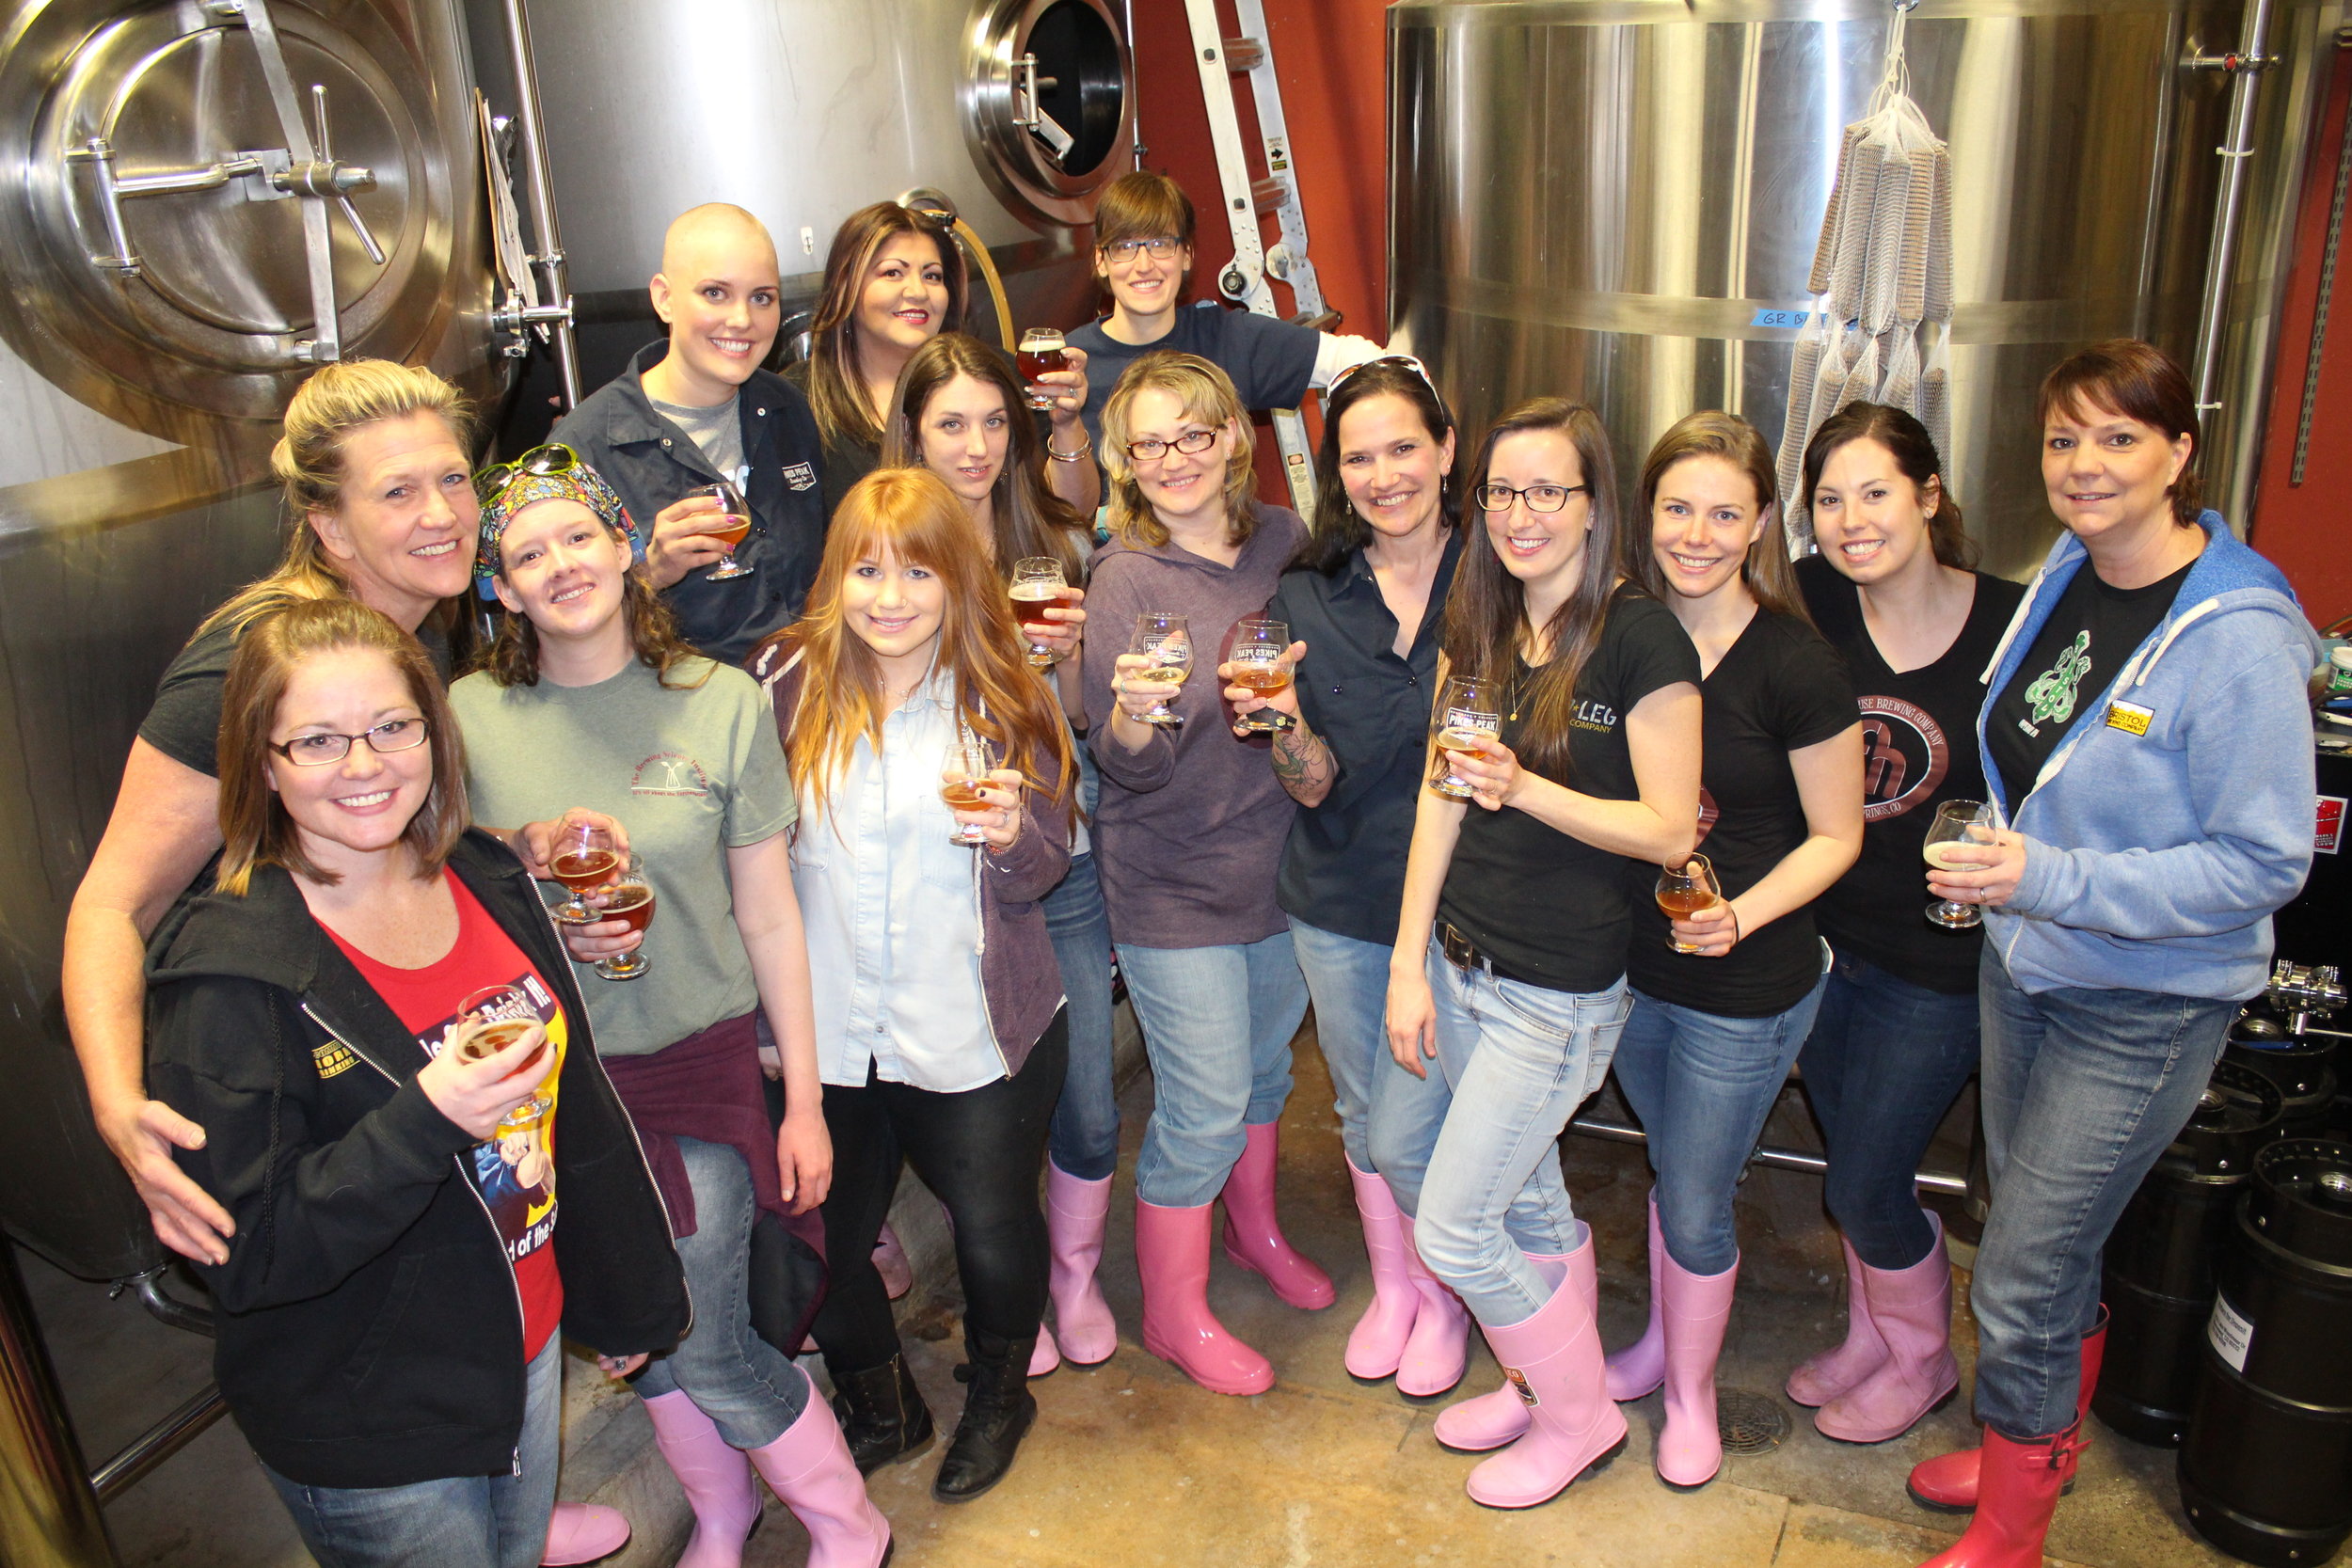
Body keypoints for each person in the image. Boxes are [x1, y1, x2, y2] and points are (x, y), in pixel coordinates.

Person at [145, 598, 690, 1568]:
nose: (365, 764)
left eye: (392, 726)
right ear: (259, 761)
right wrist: (425, 1117)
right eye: (316, 739)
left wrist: (624, 1291)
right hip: (372, 1411)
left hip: (521, 1345)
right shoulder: (227, 972)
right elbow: (247, 1249)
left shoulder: (483, 873)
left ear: (433, 733)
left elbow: (578, 1108)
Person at [1904, 341, 2315, 1568]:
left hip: (2145, 1001)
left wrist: (2047, 875)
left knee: (2021, 1267)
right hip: (2028, 964)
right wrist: (2016, 870)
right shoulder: (2070, 569)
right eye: (2064, 439)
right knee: (2034, 1233)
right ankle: (2032, 1435)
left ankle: (2014, 1524)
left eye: (2119, 437)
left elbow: (2263, 862)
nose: (2085, 465)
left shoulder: (2239, 638)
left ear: (2181, 452)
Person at [453, 460, 889, 1568]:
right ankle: (728, 1513)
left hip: (695, 1065)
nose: (560, 566)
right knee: (638, 1342)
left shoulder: (722, 699)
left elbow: (770, 915)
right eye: (528, 555)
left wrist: (805, 1097)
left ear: (623, 544)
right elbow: (437, 898)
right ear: (498, 589)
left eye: (578, 538)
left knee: (706, 1335)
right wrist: (527, 866)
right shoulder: (463, 717)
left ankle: (851, 1525)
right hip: (548, 1089)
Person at [1383, 397, 1701, 1509]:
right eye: (1503, 491)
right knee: (1524, 1208)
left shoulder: (1640, 635)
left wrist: (1527, 786)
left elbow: (1668, 828)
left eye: (1547, 490)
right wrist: (1406, 961)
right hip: (1464, 966)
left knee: (1457, 1224)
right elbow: (1437, 794)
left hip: (1556, 994)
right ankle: (1537, 1383)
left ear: (1591, 502)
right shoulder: (1478, 618)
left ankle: (1578, 1417)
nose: (1521, 514)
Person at [748, 467, 1078, 1500]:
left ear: (957, 580)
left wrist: (1012, 833)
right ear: (835, 578)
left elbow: (1046, 865)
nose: (889, 596)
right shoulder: (781, 682)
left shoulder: (1005, 685)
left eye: (918, 572)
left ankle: (1000, 1389)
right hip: (825, 1030)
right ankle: (881, 1396)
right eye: (866, 569)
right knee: (818, 1238)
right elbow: (744, 859)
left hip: (971, 1023)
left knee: (991, 1226)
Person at [1601, 413, 1863, 1491]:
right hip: (1623, 971)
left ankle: (1692, 1393)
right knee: (1672, 1164)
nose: (1696, 535)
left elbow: (1838, 835)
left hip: (1743, 983)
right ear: (1645, 515)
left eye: (1723, 512)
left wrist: (1740, 915)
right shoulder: (1616, 631)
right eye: (1676, 509)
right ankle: (1669, 1336)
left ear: (1761, 523)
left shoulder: (1795, 662)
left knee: (1700, 1193)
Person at [1082, 350, 1325, 1396]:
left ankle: (1253, 1231)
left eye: (1192, 432)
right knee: (1206, 1099)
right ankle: (1174, 1313)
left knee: (1268, 1073)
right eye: (1148, 443)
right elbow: (1120, 763)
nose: (1173, 457)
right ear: (1125, 464)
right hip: (1169, 878)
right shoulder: (1122, 574)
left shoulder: (1285, 538)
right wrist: (1139, 711)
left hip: (1282, 866)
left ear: (1233, 434)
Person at [1783, 403, 2025, 1445]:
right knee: (1851, 1152)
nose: (1850, 520)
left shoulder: (2017, 622)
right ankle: (1881, 1327)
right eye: (1829, 499)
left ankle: (1923, 1360)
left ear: (1929, 496)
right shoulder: (1805, 601)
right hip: (1826, 940)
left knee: (1867, 1173)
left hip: (1940, 959)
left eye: (1875, 492)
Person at [1227, 356, 1469, 1395]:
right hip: (1341, 900)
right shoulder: (1306, 595)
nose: (1383, 475)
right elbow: (1313, 784)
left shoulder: (1505, 576)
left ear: (1446, 450)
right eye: (1358, 456)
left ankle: (1452, 1292)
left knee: (1454, 1114)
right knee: (1369, 1110)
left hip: (1476, 913)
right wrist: (1282, 723)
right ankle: (1401, 1286)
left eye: (1403, 447)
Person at [880, 333, 1119, 1378]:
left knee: (1088, 1101)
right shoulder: (882, 551)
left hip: (1046, 849)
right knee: (985, 1092)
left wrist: (1064, 667)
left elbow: (1075, 725)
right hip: (936, 865)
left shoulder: (1050, 541)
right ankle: (1019, 1282)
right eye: (950, 424)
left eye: (991, 422)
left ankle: (1074, 1275)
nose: (975, 447)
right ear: (911, 433)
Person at [551, 203, 830, 663]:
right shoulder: (584, 447)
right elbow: (546, 632)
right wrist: (647, 572)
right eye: (715, 293)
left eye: (762, 297)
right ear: (664, 298)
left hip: (811, 701)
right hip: (678, 718)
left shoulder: (789, 408)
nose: (742, 319)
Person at [787, 201, 1097, 521]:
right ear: (846, 285)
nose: (918, 291)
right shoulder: (794, 400)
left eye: (932, 276)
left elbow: (1072, 513)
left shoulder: (997, 377)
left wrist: (1066, 424)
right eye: (893, 272)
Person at [1065, 171, 1387, 454]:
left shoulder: (1229, 338)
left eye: (1161, 244)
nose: (1144, 265)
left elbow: (1362, 360)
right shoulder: (1071, 364)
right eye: (1125, 247)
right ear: (1101, 261)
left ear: (1187, 255)